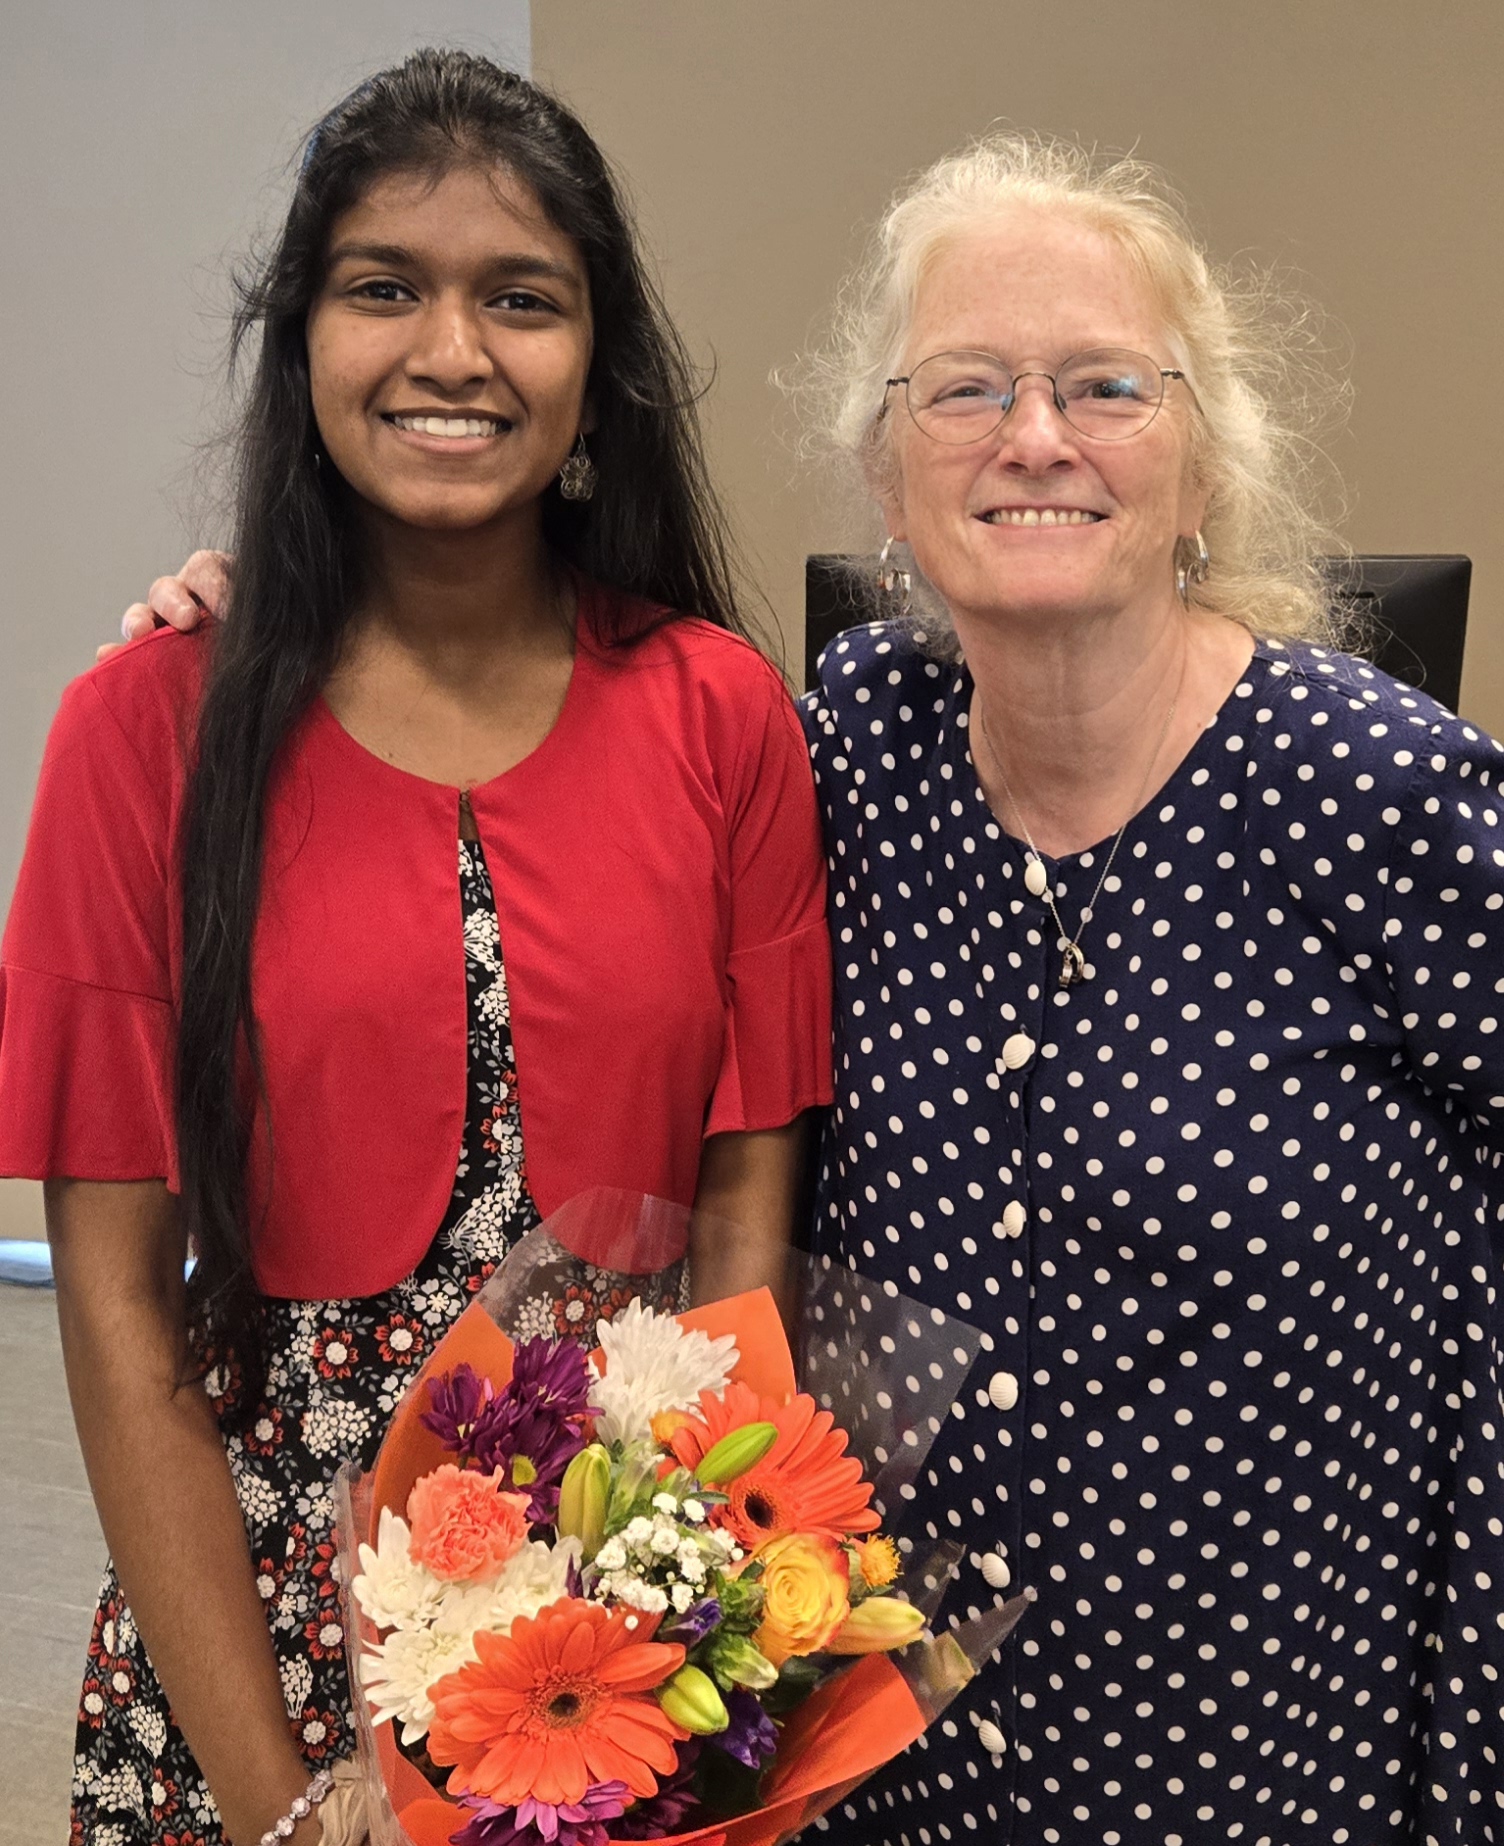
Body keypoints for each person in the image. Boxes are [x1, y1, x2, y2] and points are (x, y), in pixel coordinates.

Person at [101, 130, 1503, 1846]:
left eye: (1108, 387)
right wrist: (276, 609)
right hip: (854, 1757)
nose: (1036, 436)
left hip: (1257, 1760)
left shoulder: (1392, 802)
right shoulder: (847, 745)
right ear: (887, 477)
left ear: (1207, 468)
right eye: (966, 388)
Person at [0, 51, 830, 1846]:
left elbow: (745, 1215)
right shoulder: (147, 727)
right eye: (385, 287)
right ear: (301, 346)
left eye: (519, 300)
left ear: (593, 372)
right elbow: (119, 1305)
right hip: (254, 1615)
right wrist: (285, 1804)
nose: (451, 350)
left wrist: (664, 1636)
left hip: (623, 1607)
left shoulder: (725, 714)